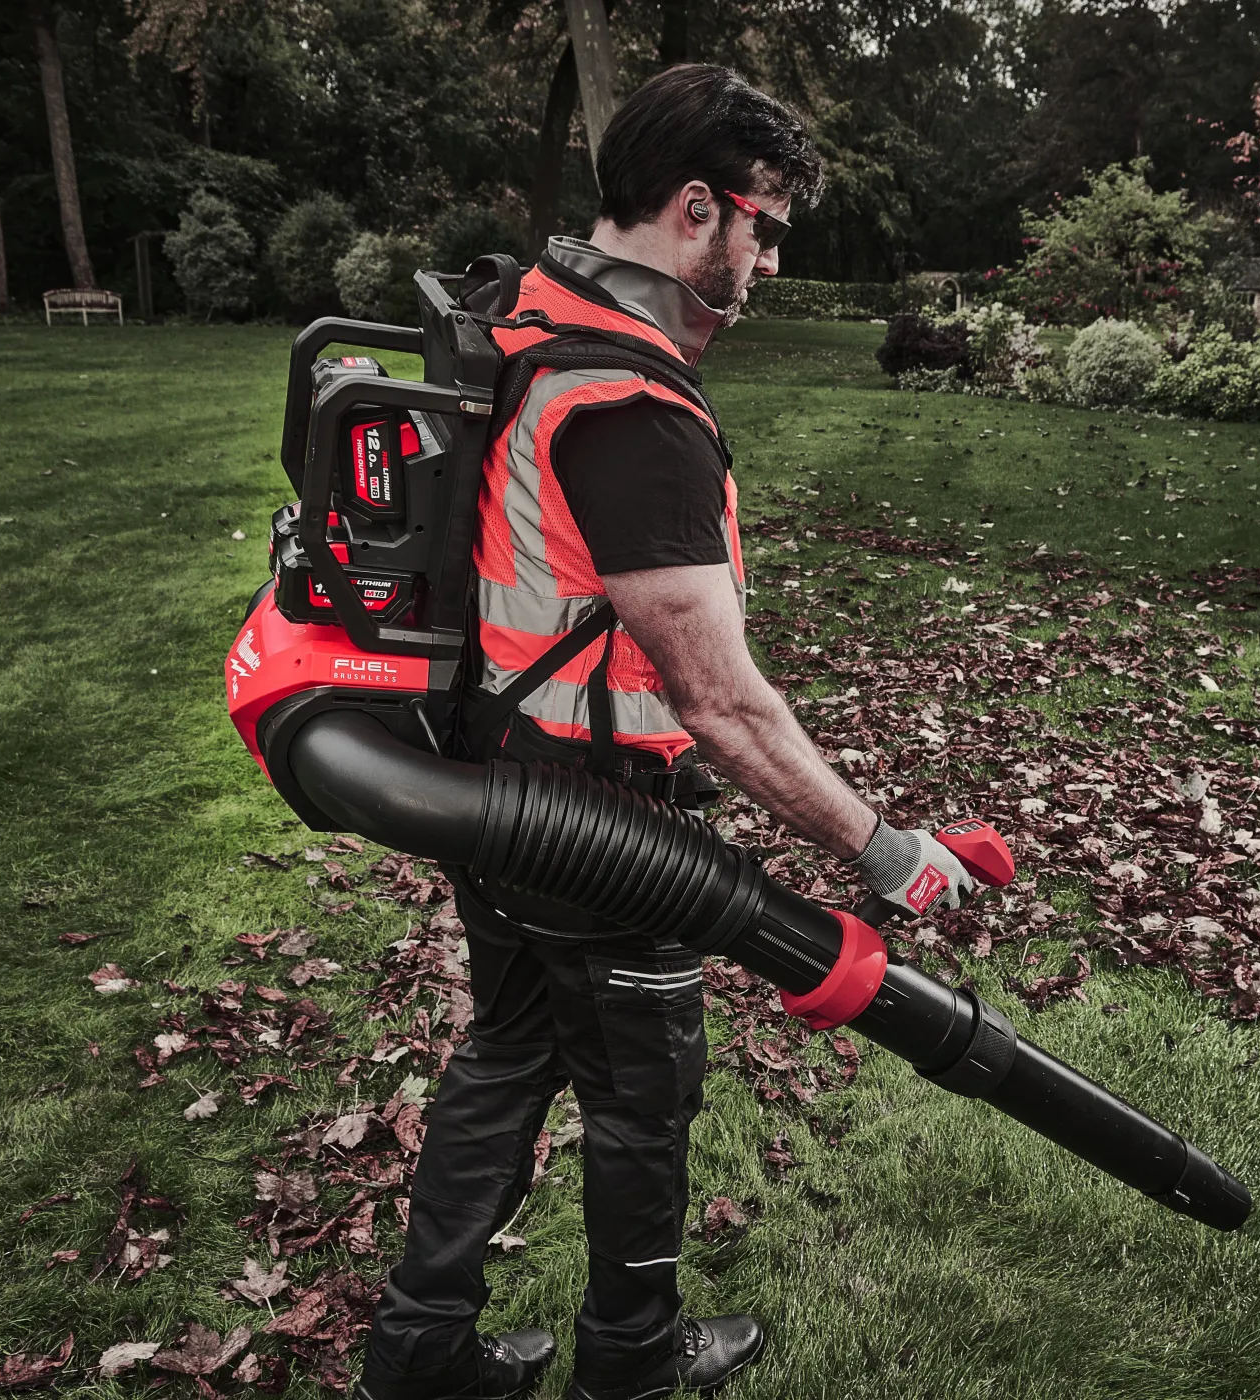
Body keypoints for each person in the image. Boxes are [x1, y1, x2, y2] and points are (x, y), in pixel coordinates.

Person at [354, 64, 986, 1400]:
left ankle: (420, 1353)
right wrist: (887, 851)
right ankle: (630, 1363)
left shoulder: (531, 313)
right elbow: (721, 701)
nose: (771, 260)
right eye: (767, 227)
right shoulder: (632, 410)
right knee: (642, 1101)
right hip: (601, 818)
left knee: (509, 1055)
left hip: (495, 776)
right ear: (700, 208)